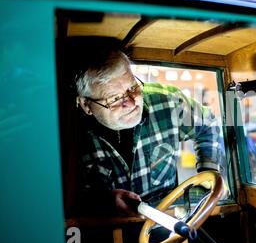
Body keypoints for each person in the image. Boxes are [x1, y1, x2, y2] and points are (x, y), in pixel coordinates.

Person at [74, 49, 223, 216]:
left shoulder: (169, 102)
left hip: (167, 222)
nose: (131, 103)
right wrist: (103, 201)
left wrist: (209, 173)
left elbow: (208, 123)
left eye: (132, 87)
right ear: (86, 105)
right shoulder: (64, 134)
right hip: (102, 232)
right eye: (114, 99)